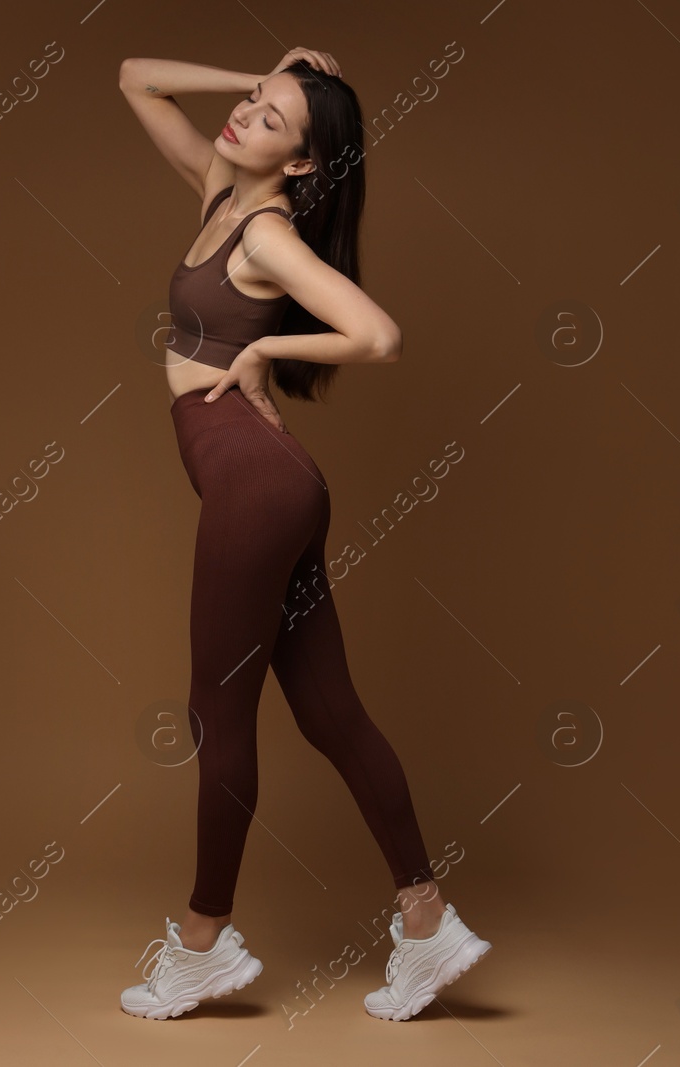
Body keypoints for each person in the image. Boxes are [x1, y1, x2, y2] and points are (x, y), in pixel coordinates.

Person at [115, 48, 492, 1022]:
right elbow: (134, 79)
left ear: (300, 166)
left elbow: (378, 333)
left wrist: (265, 345)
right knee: (330, 714)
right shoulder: (220, 189)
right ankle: (427, 920)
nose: (244, 116)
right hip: (271, 485)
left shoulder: (269, 233)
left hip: (256, 486)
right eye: (248, 102)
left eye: (270, 119)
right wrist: (265, 68)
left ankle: (201, 940)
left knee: (218, 714)